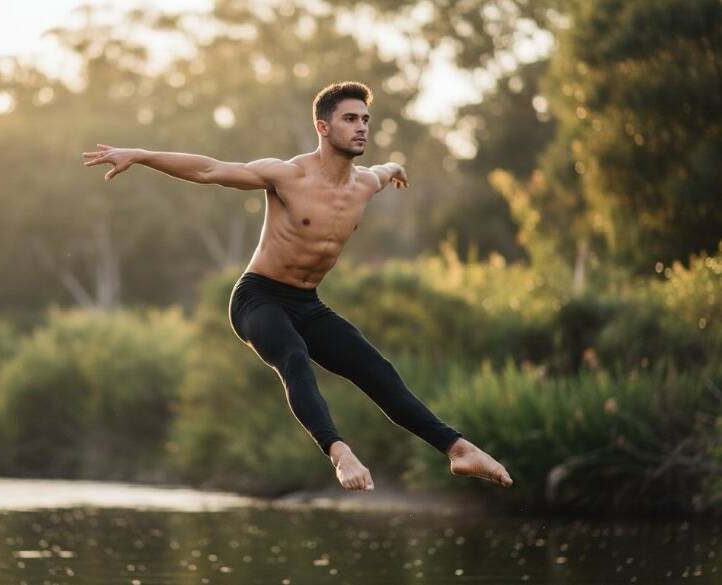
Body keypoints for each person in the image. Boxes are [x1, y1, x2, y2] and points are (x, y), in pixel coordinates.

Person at [82, 81, 513, 492]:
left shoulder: (365, 183)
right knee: (294, 357)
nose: (362, 126)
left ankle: (459, 450)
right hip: (258, 297)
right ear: (323, 127)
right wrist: (139, 154)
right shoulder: (288, 176)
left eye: (365, 118)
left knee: (377, 370)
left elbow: (387, 169)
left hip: (307, 303)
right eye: (350, 118)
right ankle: (340, 453)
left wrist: (398, 168)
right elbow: (210, 168)